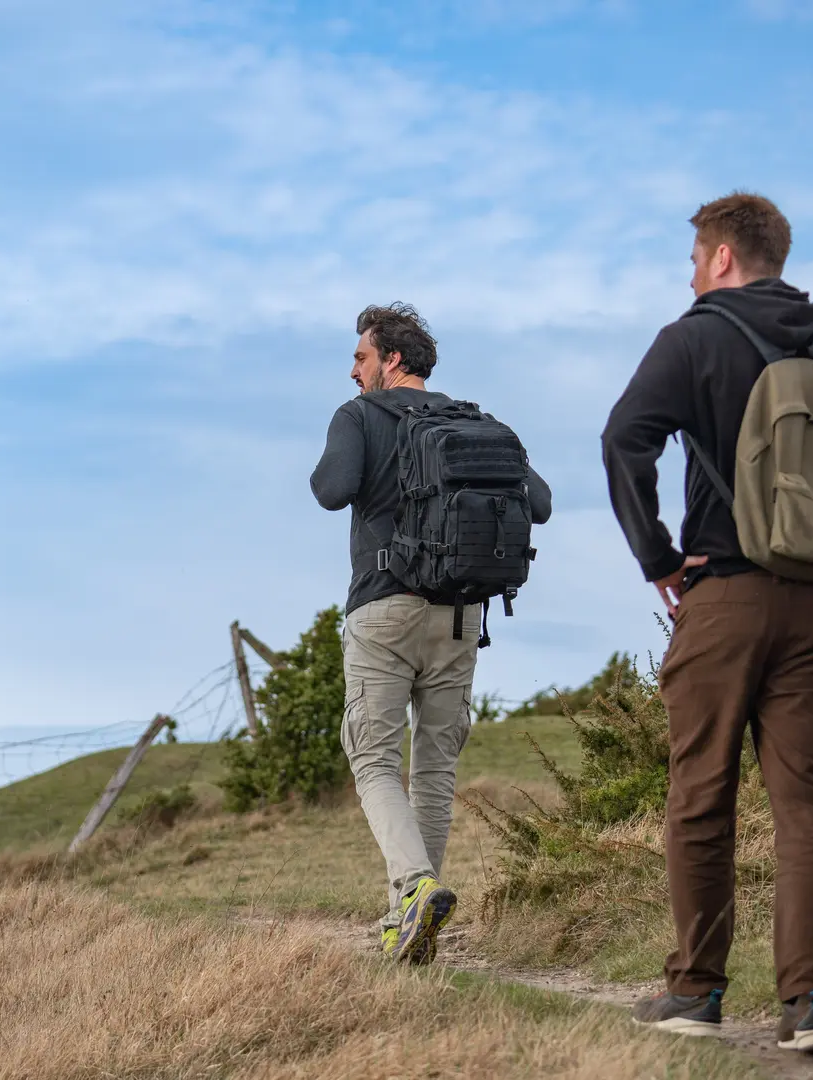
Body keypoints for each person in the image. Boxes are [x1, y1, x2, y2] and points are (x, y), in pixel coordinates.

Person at [602, 193, 813, 1051]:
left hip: (721, 597)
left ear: (721, 257)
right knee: (806, 803)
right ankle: (811, 1006)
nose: (690, 275)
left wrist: (656, 558)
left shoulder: (691, 338)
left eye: (693, 258)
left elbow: (624, 440)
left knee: (700, 796)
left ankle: (695, 992)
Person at [311, 302, 553, 964]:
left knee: (373, 758)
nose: (353, 370)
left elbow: (330, 490)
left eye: (360, 357)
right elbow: (542, 502)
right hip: (460, 616)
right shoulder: (477, 421)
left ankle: (414, 890)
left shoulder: (358, 416)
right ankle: (411, 920)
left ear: (392, 359)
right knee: (437, 766)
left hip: (384, 609)